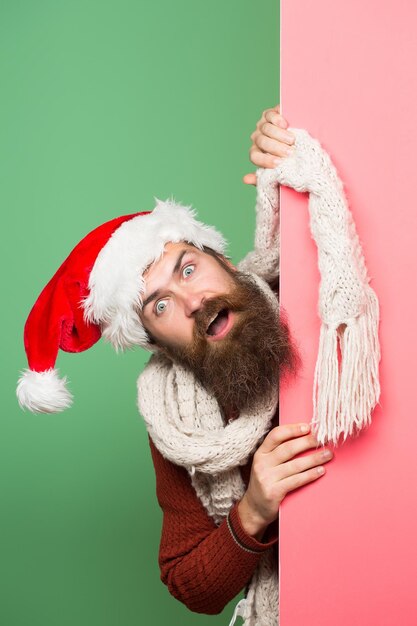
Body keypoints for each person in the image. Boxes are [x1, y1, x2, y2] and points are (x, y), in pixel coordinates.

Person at [16, 105, 334, 626]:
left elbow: (354, 202)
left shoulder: (310, 285)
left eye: (189, 268)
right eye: (159, 305)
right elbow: (189, 583)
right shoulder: (175, 420)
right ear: (154, 341)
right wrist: (254, 507)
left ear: (225, 262)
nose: (190, 302)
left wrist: (284, 143)